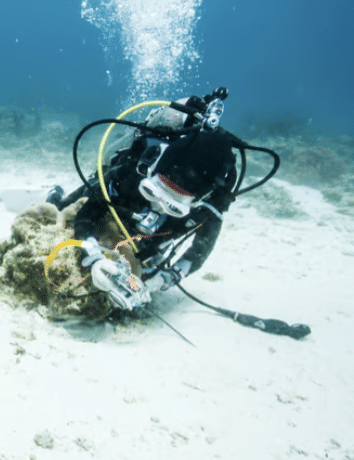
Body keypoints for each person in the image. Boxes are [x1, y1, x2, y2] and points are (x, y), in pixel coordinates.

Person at [49, 98, 239, 311]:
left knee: (147, 256)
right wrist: (93, 258)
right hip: (121, 202)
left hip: (147, 244)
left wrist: (166, 278)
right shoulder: (135, 169)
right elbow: (87, 212)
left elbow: (199, 251)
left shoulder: (211, 205)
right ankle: (58, 199)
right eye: (153, 192)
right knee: (88, 190)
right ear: (152, 170)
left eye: (173, 207)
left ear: (200, 200)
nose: (158, 207)